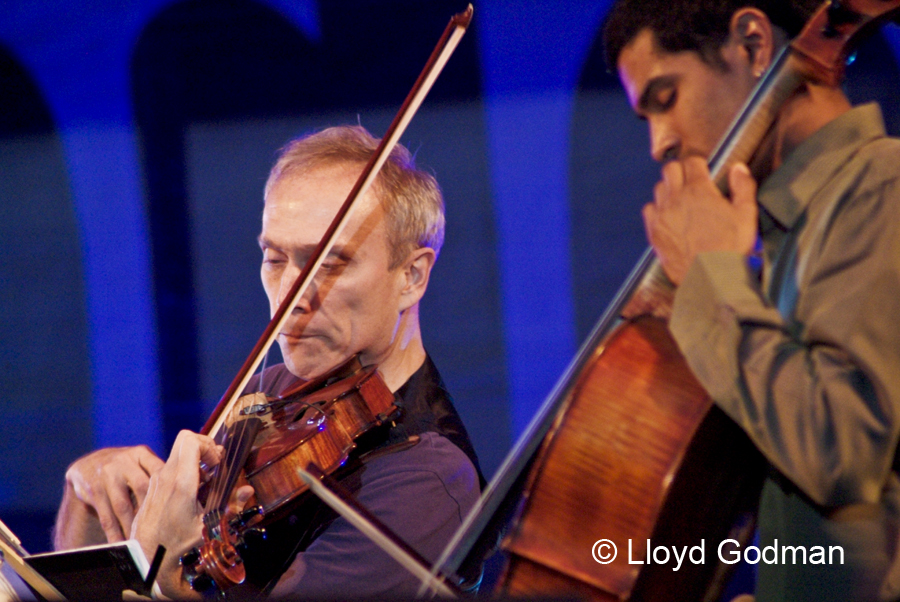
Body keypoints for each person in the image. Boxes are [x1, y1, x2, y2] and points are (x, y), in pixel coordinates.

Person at [52, 125, 483, 599]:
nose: (288, 299)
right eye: (275, 259)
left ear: (411, 276)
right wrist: (91, 499)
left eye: (330, 264)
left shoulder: (428, 477)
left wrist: (158, 567)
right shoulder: (276, 393)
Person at [602, 1, 900, 600]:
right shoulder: (772, 239)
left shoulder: (880, 185)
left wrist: (711, 278)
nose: (659, 144)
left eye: (666, 97)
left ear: (754, 44)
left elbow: (843, 447)